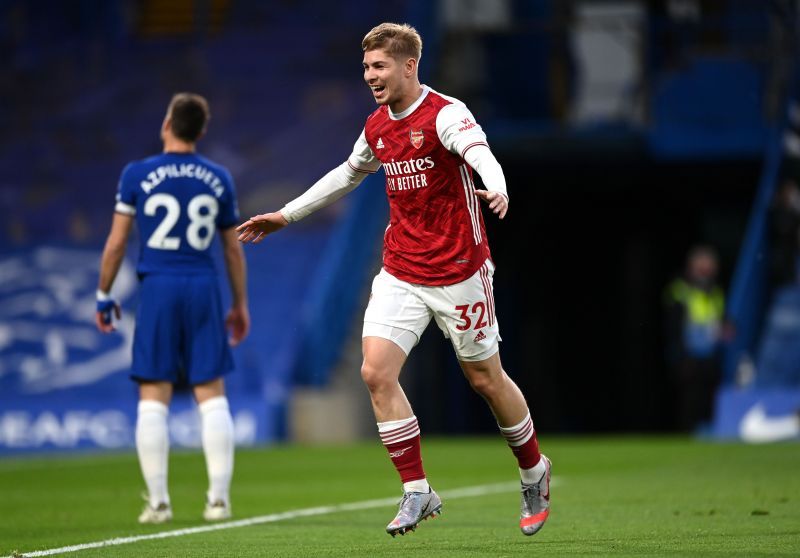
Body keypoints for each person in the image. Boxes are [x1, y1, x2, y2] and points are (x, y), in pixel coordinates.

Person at [237, 23, 550, 537]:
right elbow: (348, 172)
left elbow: (480, 155)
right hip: (401, 270)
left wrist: (497, 187)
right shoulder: (378, 126)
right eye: (366, 68)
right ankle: (416, 491)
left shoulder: (446, 114)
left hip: (459, 272)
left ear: (409, 66)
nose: (370, 77)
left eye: (379, 66)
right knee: (375, 372)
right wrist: (286, 215)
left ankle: (534, 472)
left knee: (484, 380)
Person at [96, 92, 249, 524]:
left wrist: (104, 294)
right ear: (200, 131)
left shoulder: (137, 174)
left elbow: (117, 242)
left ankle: (159, 502)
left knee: (153, 395)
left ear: (167, 124)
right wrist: (239, 304)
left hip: (159, 286)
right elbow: (233, 251)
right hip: (203, 285)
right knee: (211, 394)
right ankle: (218, 501)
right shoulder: (219, 178)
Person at [663, 245, 729, 433]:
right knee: (689, 400)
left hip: (711, 353)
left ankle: (708, 434)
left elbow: (721, 318)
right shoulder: (681, 289)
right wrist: (679, 353)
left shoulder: (716, 291)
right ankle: (686, 435)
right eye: (702, 265)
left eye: (709, 265)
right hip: (688, 354)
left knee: (710, 399)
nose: (706, 270)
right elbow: (673, 324)